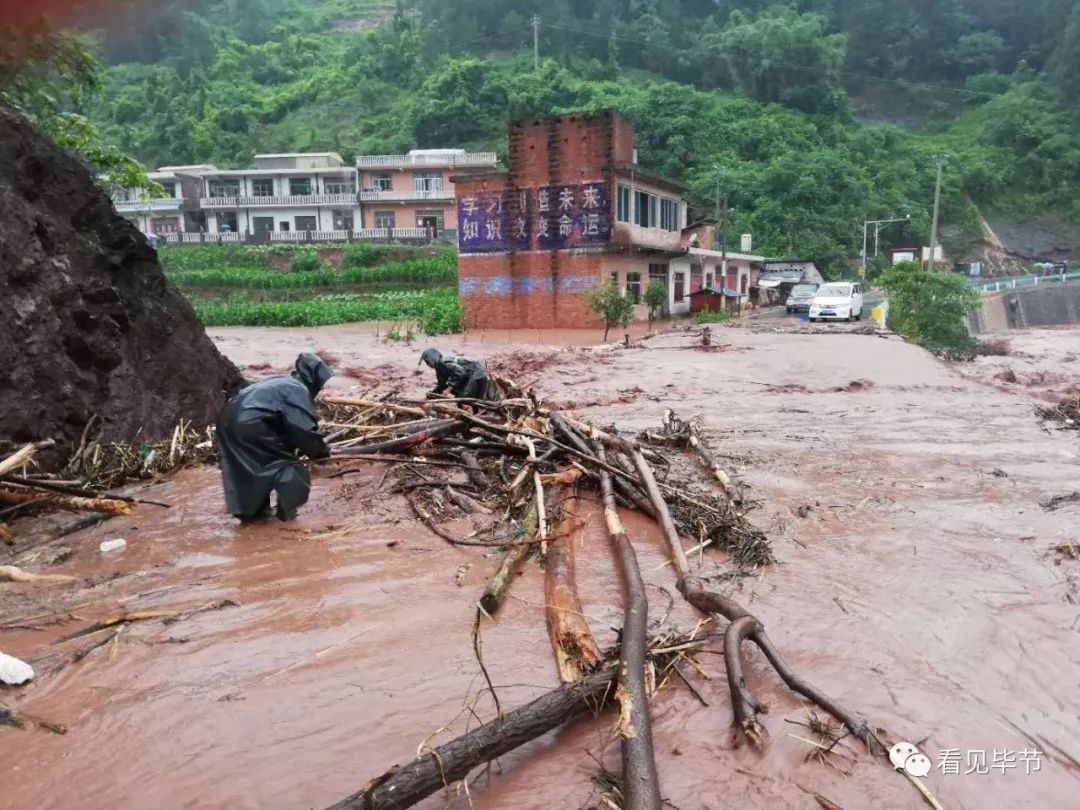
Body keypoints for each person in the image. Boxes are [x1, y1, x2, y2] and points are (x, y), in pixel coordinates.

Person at [216, 353, 333, 523]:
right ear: (313, 378)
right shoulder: (297, 389)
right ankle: (287, 519)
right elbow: (303, 429)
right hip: (249, 425)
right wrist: (321, 454)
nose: (320, 388)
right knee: (289, 468)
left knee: (245, 470)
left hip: (226, 421)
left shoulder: (283, 383)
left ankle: (251, 517)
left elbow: (283, 424)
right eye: (320, 383)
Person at [420, 348, 498, 401]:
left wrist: (449, 389)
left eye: (428, 361)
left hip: (477, 372)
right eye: (427, 363)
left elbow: (460, 371)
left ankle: (471, 421)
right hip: (472, 374)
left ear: (433, 358)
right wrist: (430, 396)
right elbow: (441, 386)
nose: (428, 364)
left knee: (465, 399)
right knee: (460, 399)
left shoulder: (444, 362)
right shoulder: (439, 370)